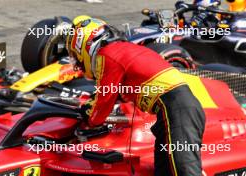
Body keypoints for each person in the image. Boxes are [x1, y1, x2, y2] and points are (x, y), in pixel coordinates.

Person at [66, 15, 206, 176]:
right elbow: (116, 94)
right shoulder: (124, 50)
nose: (76, 62)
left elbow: (103, 103)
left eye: (75, 55)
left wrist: (87, 115)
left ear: (84, 45)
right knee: (164, 171)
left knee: (184, 171)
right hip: (173, 110)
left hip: (177, 109)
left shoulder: (108, 54)